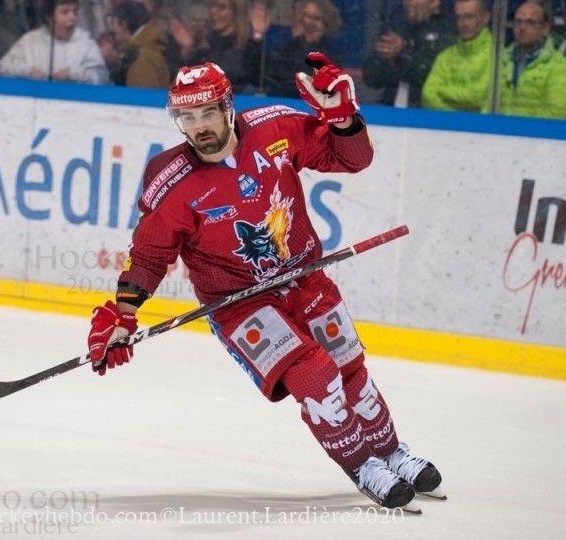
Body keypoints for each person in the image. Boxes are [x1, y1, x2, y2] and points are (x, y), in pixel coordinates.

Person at [85, 57, 446, 511]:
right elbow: (153, 252)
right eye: (188, 117)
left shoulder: (277, 128)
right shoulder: (170, 179)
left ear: (228, 105)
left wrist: (343, 120)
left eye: (207, 113)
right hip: (239, 303)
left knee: (349, 367)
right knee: (315, 374)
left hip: (303, 277)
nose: (199, 127)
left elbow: (355, 159)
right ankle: (361, 465)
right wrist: (124, 313)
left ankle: (391, 452)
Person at [363, 0, 457, 108]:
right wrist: (385, 58)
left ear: (434, 2)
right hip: (389, 113)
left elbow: (430, 73)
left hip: (428, 115)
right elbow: (370, 76)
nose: (407, 3)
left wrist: (401, 54)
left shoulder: (448, 33)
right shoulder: (398, 26)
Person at [495, 0, 566, 119]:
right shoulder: (500, 59)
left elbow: (556, 116)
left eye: (530, 22)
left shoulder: (560, 67)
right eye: (518, 21)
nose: (522, 27)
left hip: (536, 135)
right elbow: (487, 103)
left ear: (545, 28)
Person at [0, 0, 109, 83]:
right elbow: (2, 68)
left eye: (74, 12)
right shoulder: (30, 41)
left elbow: (102, 78)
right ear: (49, 17)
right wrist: (28, 71)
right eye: (65, 12)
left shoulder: (87, 45)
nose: (72, 17)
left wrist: (74, 74)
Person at [422, 0, 492, 112]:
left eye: (469, 17)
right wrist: (457, 119)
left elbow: (478, 96)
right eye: (459, 17)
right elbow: (428, 95)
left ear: (485, 18)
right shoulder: (445, 56)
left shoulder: (497, 55)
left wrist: (442, 92)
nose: (464, 23)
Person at [265, 0, 343, 98]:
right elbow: (274, 80)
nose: (310, 23)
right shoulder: (284, 50)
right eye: (307, 16)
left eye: (317, 18)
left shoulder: (332, 57)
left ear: (326, 23)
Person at [105, 0, 170, 88]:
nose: (113, 29)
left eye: (114, 23)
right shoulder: (147, 49)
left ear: (124, 25)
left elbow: (143, 99)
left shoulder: (142, 59)